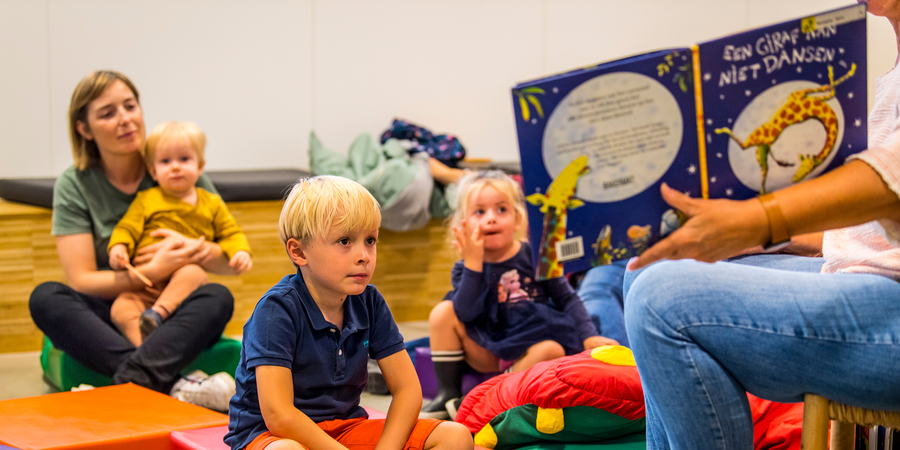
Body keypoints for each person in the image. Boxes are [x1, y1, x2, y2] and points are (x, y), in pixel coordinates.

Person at [622, 2, 900, 448]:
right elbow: (876, 230)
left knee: (661, 301)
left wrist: (756, 222)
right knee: (640, 274)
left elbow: (890, 183)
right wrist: (760, 239)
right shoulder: (891, 75)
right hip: (869, 283)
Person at [28, 70, 236, 410]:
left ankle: (125, 384)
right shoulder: (74, 183)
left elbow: (229, 260)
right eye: (108, 113)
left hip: (170, 310)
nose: (126, 119)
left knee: (217, 296)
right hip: (112, 312)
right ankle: (175, 383)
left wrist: (200, 250)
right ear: (84, 129)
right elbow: (81, 279)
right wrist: (154, 268)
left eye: (130, 106)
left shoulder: (174, 163)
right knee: (46, 297)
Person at [224, 176, 472, 450]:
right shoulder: (277, 310)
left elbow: (408, 390)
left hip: (345, 427)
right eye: (344, 241)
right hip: (273, 435)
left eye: (370, 240)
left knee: (455, 435)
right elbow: (279, 416)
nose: (363, 255)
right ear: (298, 251)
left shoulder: (370, 302)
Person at [419, 170, 618, 419]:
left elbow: (568, 298)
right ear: (463, 224)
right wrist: (473, 265)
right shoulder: (465, 266)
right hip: (491, 344)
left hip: (534, 341)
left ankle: (490, 397)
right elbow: (466, 312)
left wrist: (589, 336)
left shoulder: (536, 256)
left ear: (517, 218)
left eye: (501, 209)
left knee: (551, 350)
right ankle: (447, 394)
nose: (491, 219)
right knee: (442, 312)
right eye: (479, 212)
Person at [107, 121, 253, 346]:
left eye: (184, 159)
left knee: (194, 272)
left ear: (200, 166)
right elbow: (126, 228)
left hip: (184, 287)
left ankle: (158, 314)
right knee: (120, 308)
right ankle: (143, 348)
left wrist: (240, 251)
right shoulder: (146, 200)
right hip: (146, 285)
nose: (175, 167)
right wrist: (118, 248)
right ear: (153, 171)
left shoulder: (211, 203)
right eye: (165, 161)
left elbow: (231, 233)